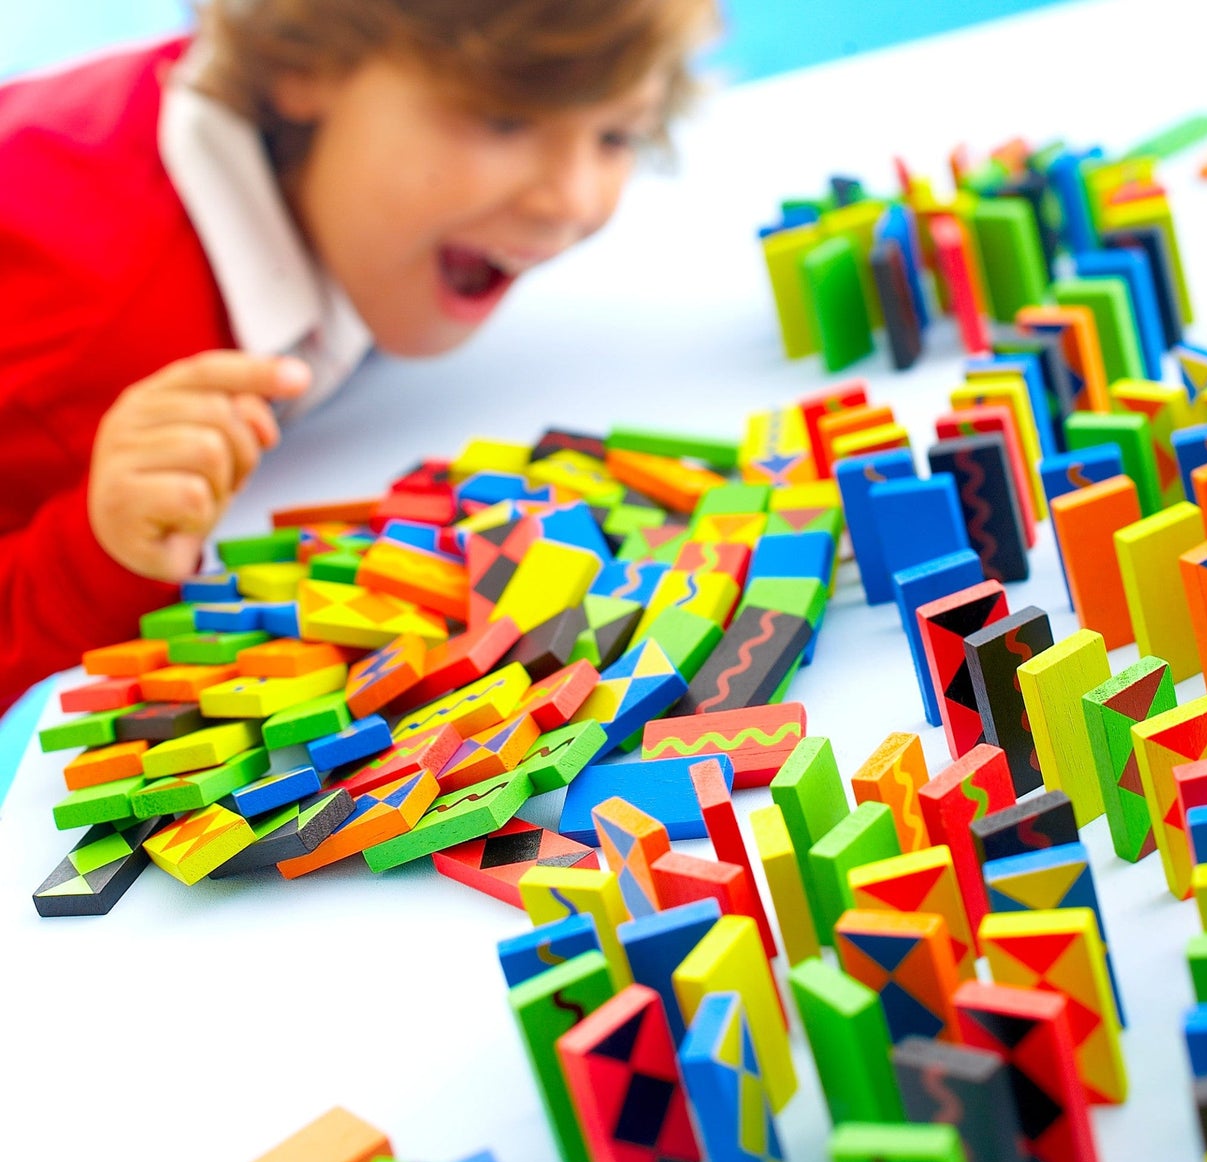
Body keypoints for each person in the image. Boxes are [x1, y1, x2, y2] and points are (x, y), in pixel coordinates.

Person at [0, 0, 715, 713]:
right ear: (303, 65)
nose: (572, 200)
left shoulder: (359, 187)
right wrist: (86, 558)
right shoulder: (71, 313)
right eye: (505, 120)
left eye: (616, 135)